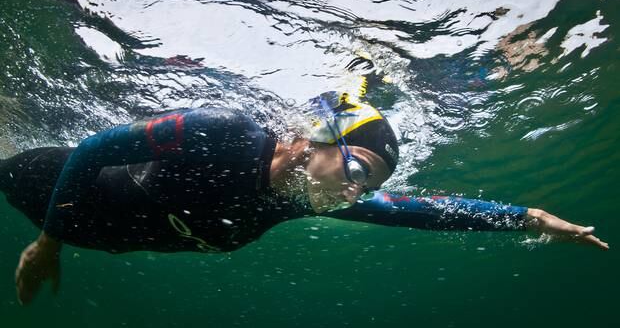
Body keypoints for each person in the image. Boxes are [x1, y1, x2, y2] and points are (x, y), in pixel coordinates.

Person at [0, 74, 608, 306]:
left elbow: (426, 212)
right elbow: (91, 150)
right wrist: (49, 244)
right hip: (44, 183)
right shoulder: (225, 133)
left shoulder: (303, 196)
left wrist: (528, 216)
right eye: (358, 170)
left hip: (89, 235)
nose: (356, 192)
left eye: (367, 183)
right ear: (316, 141)